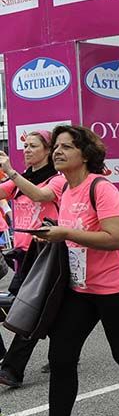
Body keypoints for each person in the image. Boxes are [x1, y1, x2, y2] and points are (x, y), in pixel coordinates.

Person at [0, 125, 119, 416]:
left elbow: (116, 238)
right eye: (56, 147)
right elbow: (56, 216)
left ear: (85, 154)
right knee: (61, 357)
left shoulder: (101, 188)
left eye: (66, 147)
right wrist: (51, 234)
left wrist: (66, 233)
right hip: (80, 289)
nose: (57, 152)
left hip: (118, 289)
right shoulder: (65, 189)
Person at [0, 131, 60, 389]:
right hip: (24, 255)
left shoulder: (57, 180)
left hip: (46, 253)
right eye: (25, 145)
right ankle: (63, 351)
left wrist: (11, 172)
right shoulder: (21, 179)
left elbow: (39, 195)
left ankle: (11, 369)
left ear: (48, 151)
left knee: (28, 310)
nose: (26, 150)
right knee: (43, 309)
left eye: (33, 146)